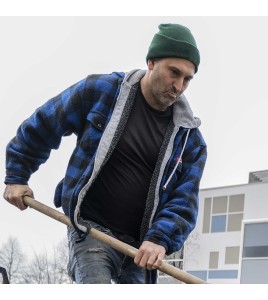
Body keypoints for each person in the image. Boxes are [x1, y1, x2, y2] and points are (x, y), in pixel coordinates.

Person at [3, 23, 207, 284]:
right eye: (174, 72)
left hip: (139, 251)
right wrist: (17, 175)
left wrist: (159, 240)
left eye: (187, 79)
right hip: (91, 230)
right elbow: (45, 123)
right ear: (152, 62)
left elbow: (184, 200)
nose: (178, 86)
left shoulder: (190, 141)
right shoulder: (102, 91)